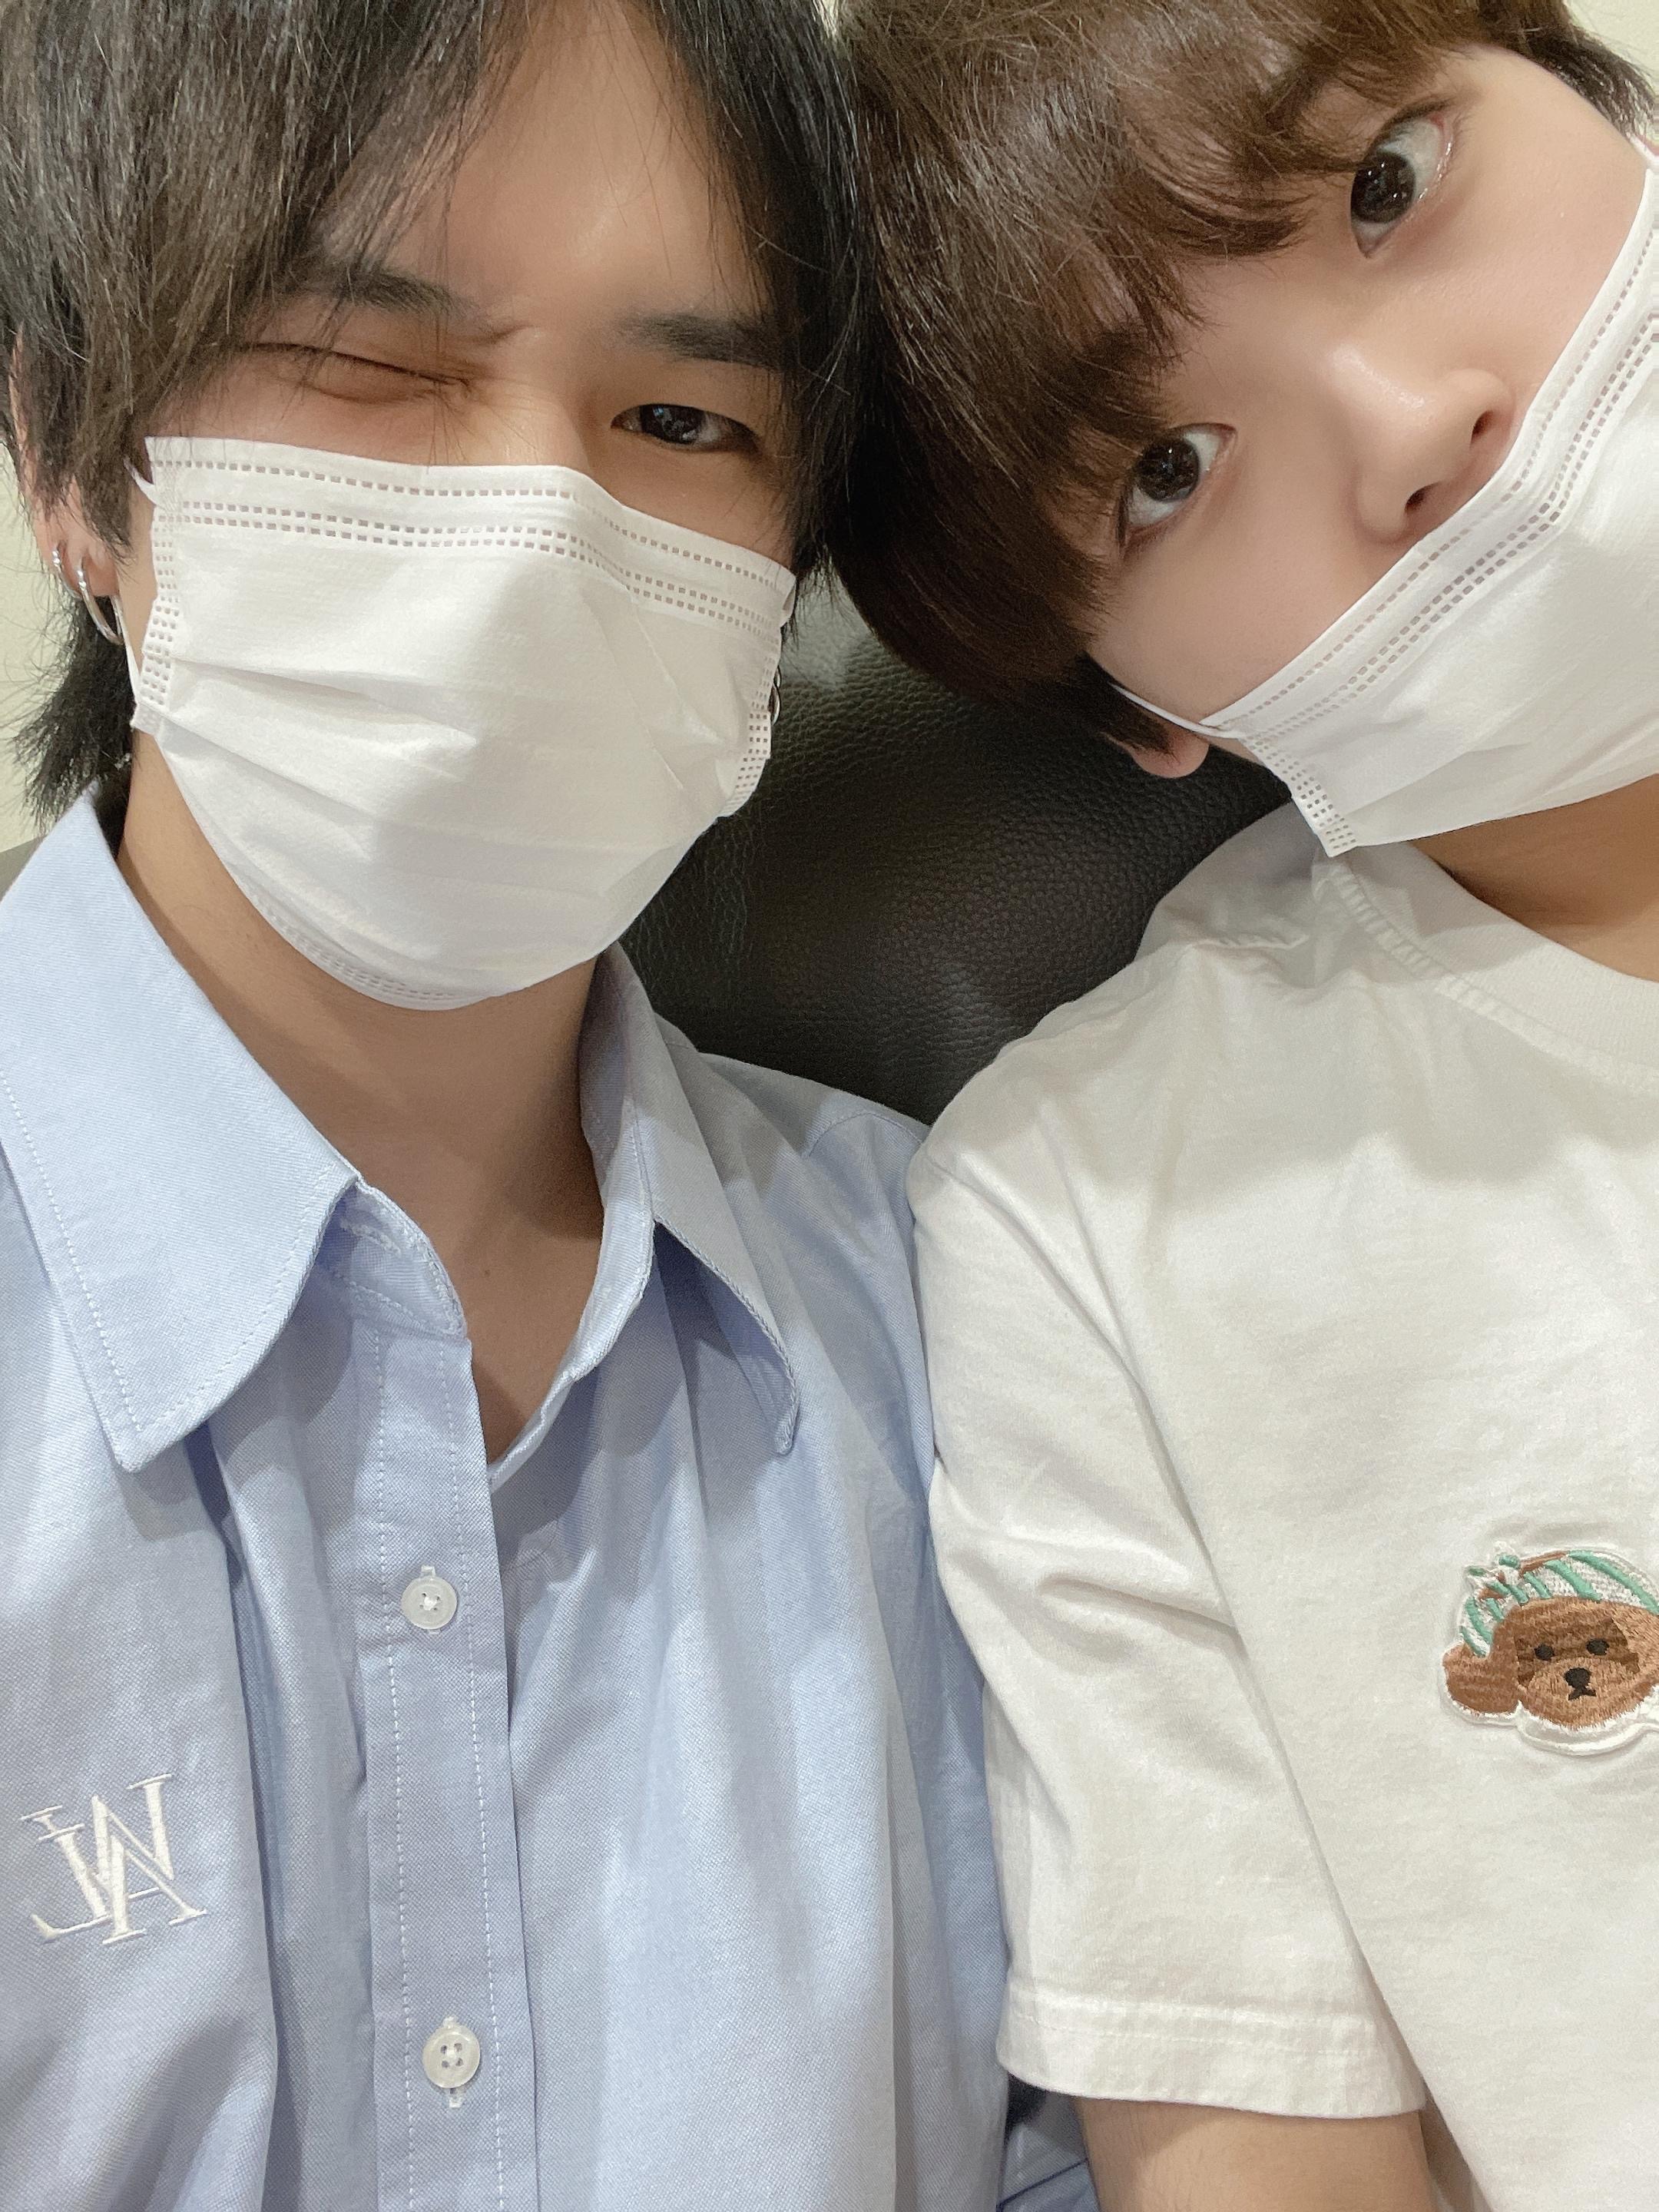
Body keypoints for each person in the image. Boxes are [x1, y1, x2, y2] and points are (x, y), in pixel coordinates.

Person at [0, 2, 1094, 2205]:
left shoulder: (986, 1312)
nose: (535, 523)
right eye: (368, 362)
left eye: (682, 417)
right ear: (68, 462)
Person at [833, 1, 1657, 2207]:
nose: (1414, 425)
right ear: (1134, 713)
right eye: (1165, 469)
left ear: (1575, 77)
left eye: (1389, 183)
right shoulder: (1107, 1218)